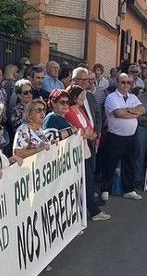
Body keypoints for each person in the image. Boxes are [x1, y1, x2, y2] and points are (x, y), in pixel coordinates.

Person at [44, 85, 108, 222]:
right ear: (53, 103)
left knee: (82, 185)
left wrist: (83, 133)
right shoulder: (52, 118)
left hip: (76, 155)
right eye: (62, 102)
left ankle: (79, 217)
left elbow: (87, 129)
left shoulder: (64, 116)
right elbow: (51, 137)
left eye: (67, 102)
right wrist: (76, 132)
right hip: (62, 160)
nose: (65, 105)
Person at [99, 73, 144, 201]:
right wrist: (133, 112)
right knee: (110, 164)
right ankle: (105, 189)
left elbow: (142, 109)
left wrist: (127, 111)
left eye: (128, 83)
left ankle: (128, 190)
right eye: (122, 82)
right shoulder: (111, 97)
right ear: (117, 83)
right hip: (115, 137)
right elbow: (118, 113)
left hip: (131, 137)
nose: (125, 85)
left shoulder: (133, 96)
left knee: (130, 164)